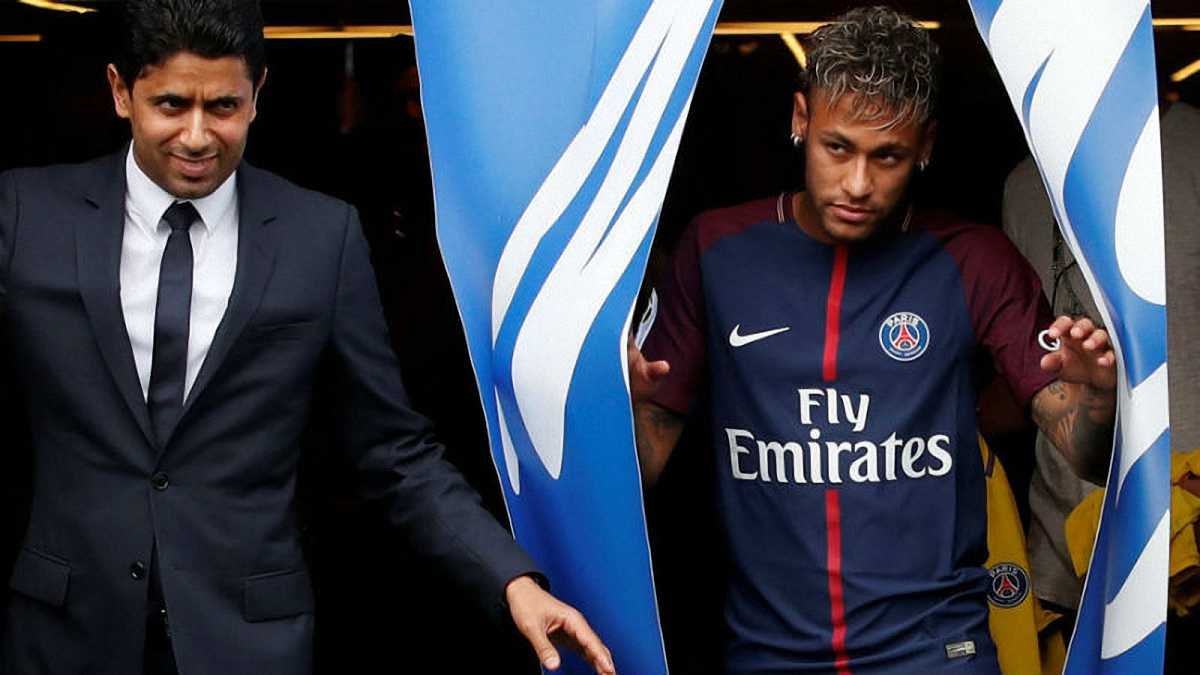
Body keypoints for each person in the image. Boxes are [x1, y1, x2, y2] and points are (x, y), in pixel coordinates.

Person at [0, 1, 614, 673]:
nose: (197, 136)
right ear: (121, 92)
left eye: (224, 107)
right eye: (171, 105)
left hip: (245, 641)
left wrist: (511, 579)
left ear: (258, 94)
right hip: (64, 633)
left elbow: (392, 449)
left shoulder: (319, 237)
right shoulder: (26, 215)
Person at [627, 6, 1116, 673]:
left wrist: (1099, 401)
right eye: (838, 148)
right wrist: (612, 406)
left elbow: (1085, 454)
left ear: (926, 147)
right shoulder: (716, 251)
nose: (858, 185)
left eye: (887, 156)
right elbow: (641, 469)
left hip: (936, 655)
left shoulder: (972, 259)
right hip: (769, 656)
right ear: (801, 119)